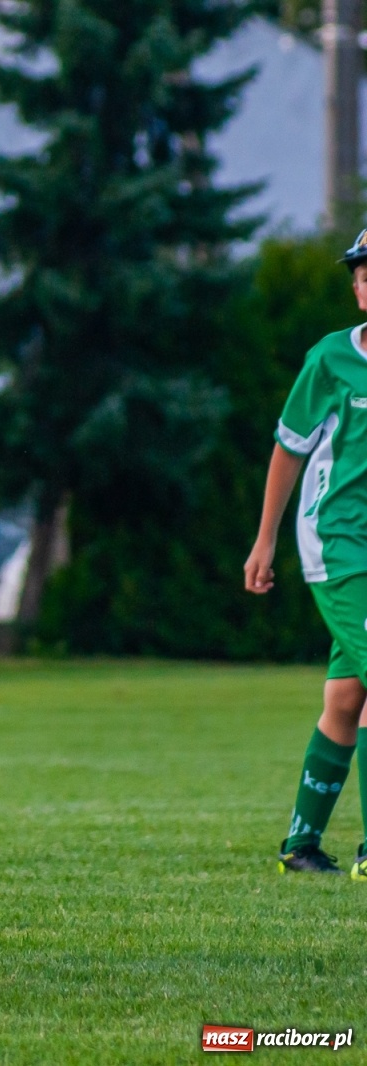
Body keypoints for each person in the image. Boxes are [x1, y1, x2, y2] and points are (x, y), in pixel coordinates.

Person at [244, 228, 367, 879]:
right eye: (365, 273)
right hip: (341, 544)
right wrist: (264, 541)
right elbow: (289, 447)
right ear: (357, 290)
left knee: (347, 696)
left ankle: (301, 846)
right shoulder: (331, 360)